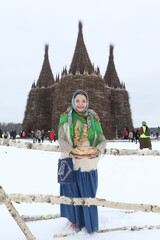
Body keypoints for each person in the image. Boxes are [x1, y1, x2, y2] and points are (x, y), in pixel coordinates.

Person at [58, 89, 106, 234]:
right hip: (70, 160)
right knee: (72, 192)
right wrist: (71, 152)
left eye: (83, 101)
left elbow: (102, 139)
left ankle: (89, 222)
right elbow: (62, 139)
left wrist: (97, 151)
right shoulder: (66, 117)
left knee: (88, 191)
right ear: (73, 101)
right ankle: (75, 220)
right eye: (77, 101)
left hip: (88, 162)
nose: (80, 104)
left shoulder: (93, 117)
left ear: (87, 102)